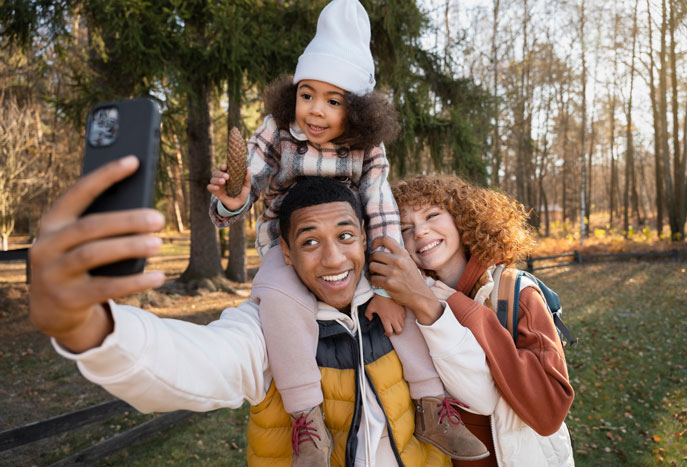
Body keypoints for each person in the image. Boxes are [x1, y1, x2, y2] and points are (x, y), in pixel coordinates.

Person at [29, 167, 495, 466]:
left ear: (366, 237)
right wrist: (92, 329)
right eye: (310, 242)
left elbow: (484, 394)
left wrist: (425, 306)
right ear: (286, 254)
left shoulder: (408, 302)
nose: (333, 259)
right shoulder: (269, 324)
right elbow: (205, 362)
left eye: (346, 236)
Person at [206, 0, 485, 463]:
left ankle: (433, 404)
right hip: (288, 246)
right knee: (278, 302)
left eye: (333, 101)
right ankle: (308, 420)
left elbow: (380, 210)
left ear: (354, 109)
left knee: (403, 303)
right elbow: (245, 184)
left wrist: (386, 282)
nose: (315, 112)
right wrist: (231, 200)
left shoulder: (367, 149)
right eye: (307, 94)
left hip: (352, 243)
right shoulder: (277, 131)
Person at [367, 175, 576, 466]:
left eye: (432, 215)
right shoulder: (401, 306)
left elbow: (549, 413)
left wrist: (454, 306)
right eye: (405, 227)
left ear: (462, 219)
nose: (420, 231)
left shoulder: (518, 294)